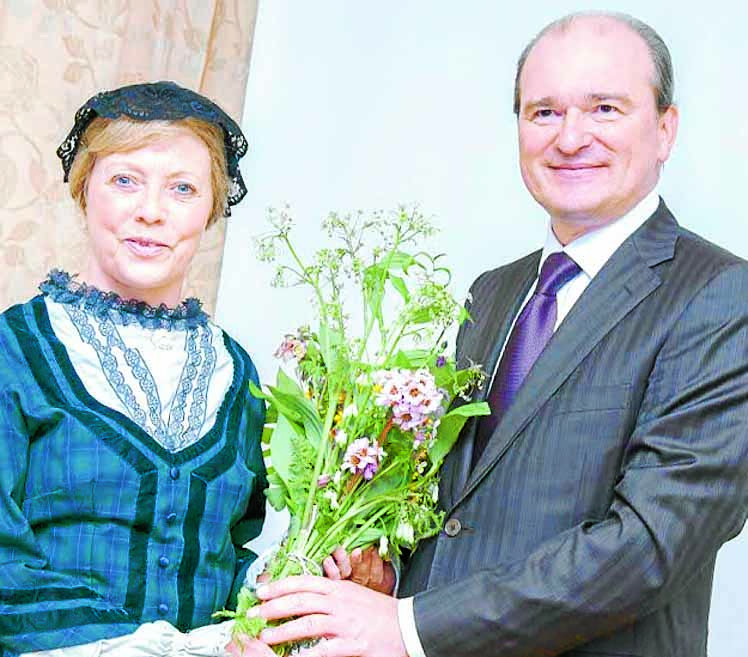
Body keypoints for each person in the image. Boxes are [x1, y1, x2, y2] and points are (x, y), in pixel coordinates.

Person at [236, 11, 748, 657]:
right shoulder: (494, 292)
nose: (570, 137)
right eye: (543, 112)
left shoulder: (722, 295)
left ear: (665, 129)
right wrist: (384, 573)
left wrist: (408, 627)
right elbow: (460, 510)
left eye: (605, 109)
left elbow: (649, 544)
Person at [0, 81, 267, 656]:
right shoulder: (14, 351)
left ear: (211, 209)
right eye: (125, 180)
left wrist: (288, 585)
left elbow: (228, 550)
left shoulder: (235, 372)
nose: (150, 212)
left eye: (183, 189)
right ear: (84, 190)